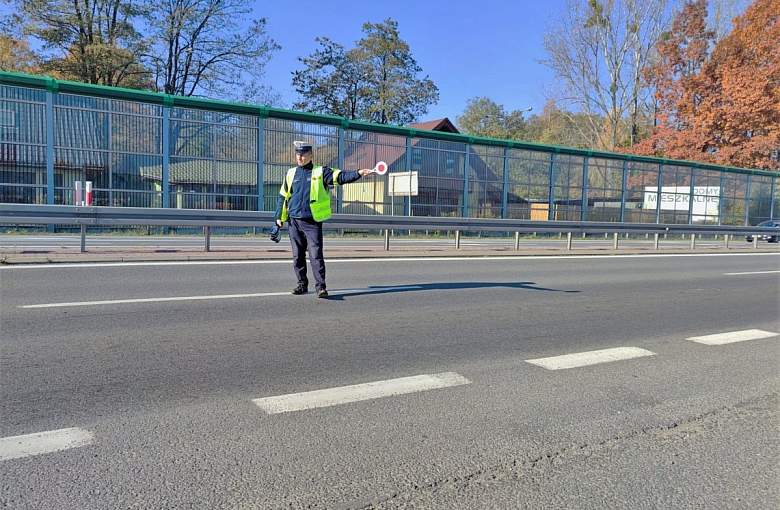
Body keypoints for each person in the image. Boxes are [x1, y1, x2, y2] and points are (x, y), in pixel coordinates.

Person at [274, 141, 374, 298]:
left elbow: (340, 177)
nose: (299, 157)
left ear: (310, 155)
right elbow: (283, 196)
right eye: (297, 154)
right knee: (297, 256)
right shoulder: (291, 173)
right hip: (293, 221)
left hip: (312, 222)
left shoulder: (321, 172)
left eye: (303, 154)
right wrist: (278, 217)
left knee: (315, 255)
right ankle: (302, 284)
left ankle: (321, 287)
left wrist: (359, 173)